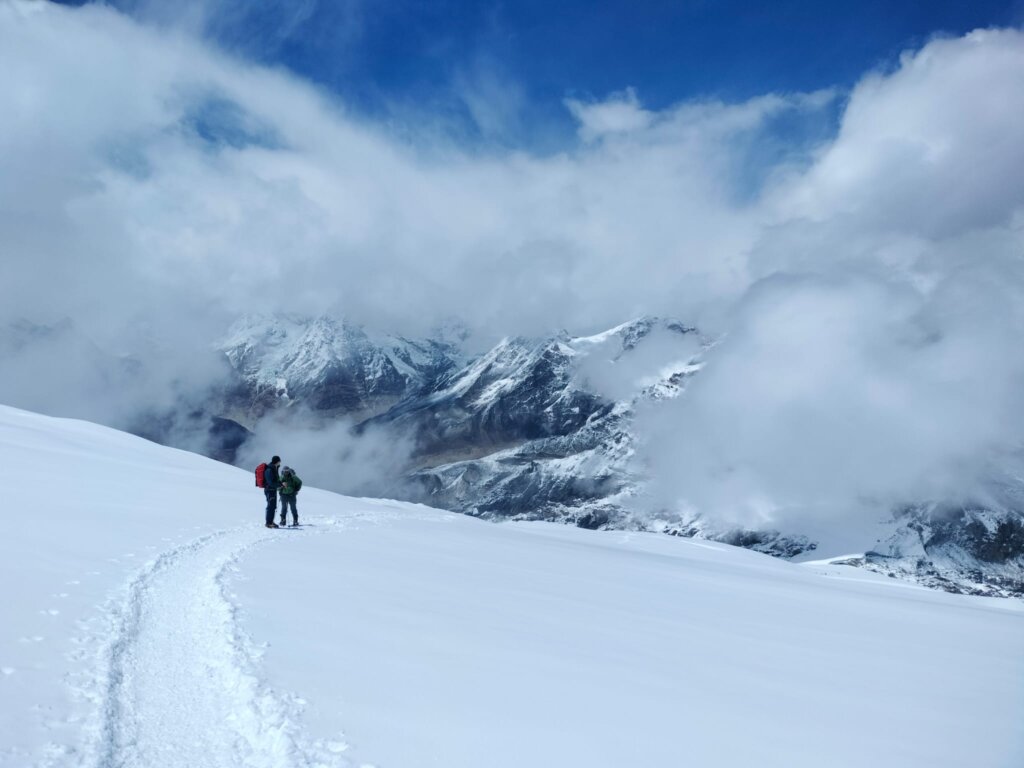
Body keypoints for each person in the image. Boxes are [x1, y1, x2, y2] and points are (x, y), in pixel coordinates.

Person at [263, 456, 283, 528]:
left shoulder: (274, 468)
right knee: (270, 506)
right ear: (277, 461)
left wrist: (280, 484)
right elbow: (271, 482)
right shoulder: (270, 469)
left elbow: (275, 480)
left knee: (273, 506)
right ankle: (268, 523)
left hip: (272, 490)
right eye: (279, 461)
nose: (280, 463)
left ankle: (271, 521)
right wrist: (280, 485)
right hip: (269, 490)